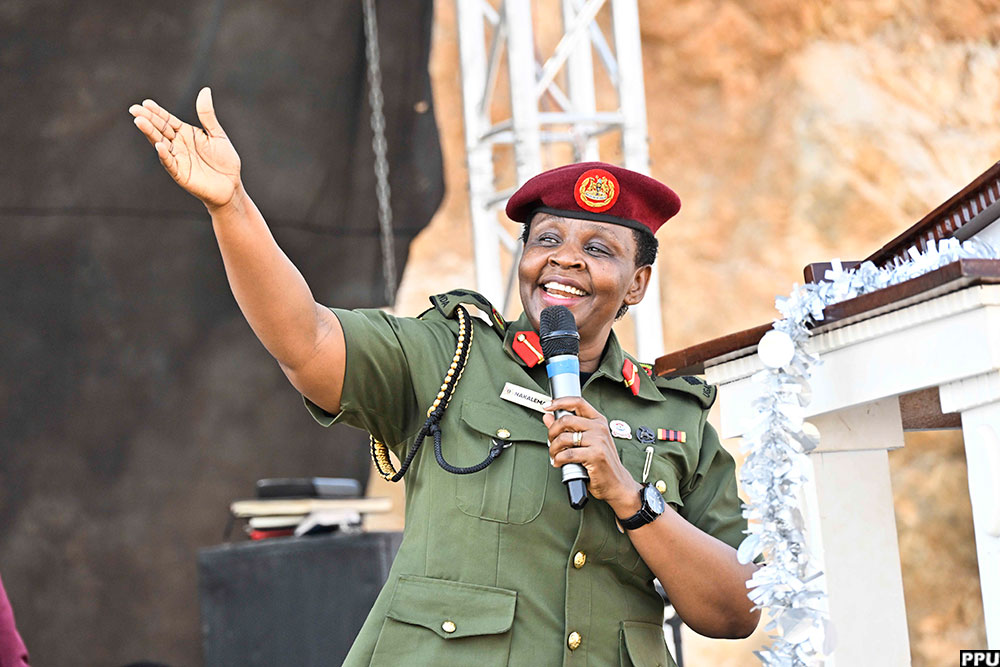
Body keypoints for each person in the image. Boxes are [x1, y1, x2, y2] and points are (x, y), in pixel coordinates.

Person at [130, 88, 759, 666]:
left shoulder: (677, 417)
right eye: (546, 240)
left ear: (637, 284)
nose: (565, 259)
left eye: (598, 249)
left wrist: (630, 496)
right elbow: (307, 340)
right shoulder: (450, 356)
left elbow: (737, 610)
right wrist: (231, 206)